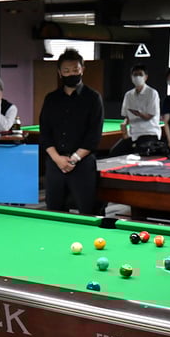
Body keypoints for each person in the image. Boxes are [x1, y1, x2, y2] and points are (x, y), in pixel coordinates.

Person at [38, 48, 103, 215]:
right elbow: (45, 133)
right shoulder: (51, 99)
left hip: (82, 163)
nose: (71, 74)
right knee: (54, 211)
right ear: (59, 73)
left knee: (87, 211)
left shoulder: (93, 98)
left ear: (83, 69)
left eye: (75, 69)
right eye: (66, 71)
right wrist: (58, 159)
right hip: (55, 163)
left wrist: (74, 159)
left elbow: (94, 136)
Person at [109, 64, 163, 158]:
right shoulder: (128, 95)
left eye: (140, 74)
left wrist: (138, 113)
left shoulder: (152, 93)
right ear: (131, 77)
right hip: (133, 134)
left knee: (139, 154)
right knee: (114, 153)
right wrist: (124, 124)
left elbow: (149, 116)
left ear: (146, 77)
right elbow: (127, 116)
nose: (137, 77)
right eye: (135, 75)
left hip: (149, 133)